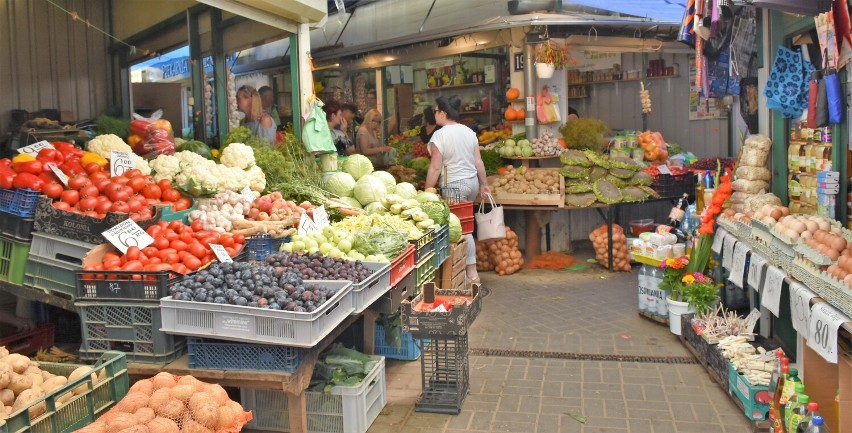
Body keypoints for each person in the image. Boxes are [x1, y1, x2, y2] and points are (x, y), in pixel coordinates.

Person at [425, 95, 490, 284]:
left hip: (454, 186)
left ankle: (472, 274)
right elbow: (478, 160)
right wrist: (484, 184)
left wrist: (428, 189)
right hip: (471, 183)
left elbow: (436, 167)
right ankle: (461, 271)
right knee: (465, 227)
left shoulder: (440, 135)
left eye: (436, 111)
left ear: (443, 113)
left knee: (463, 230)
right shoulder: (469, 132)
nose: (434, 114)